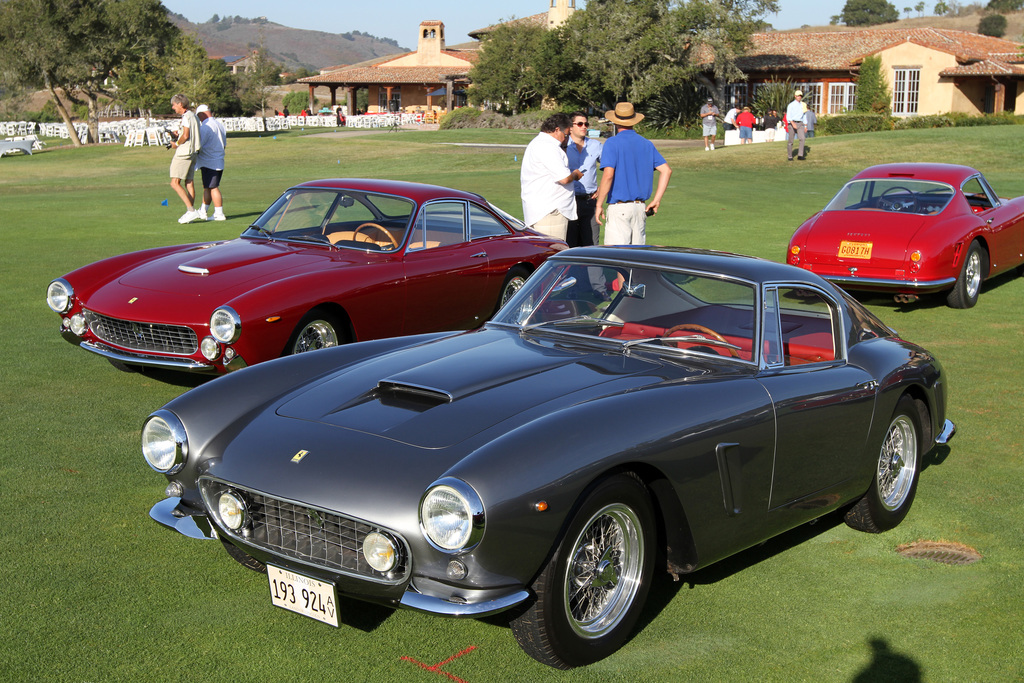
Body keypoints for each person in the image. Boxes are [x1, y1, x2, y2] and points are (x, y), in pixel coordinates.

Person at [594, 102, 672, 245]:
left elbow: (608, 175)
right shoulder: (646, 143)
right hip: (640, 208)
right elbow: (666, 171)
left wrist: (599, 204)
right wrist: (656, 200)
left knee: (617, 261)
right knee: (636, 260)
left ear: (615, 122)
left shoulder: (612, 143)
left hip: (620, 208)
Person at [520, 113, 583, 240]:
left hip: (543, 209)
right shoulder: (548, 146)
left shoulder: (539, 143)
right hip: (551, 211)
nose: (566, 139)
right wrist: (575, 175)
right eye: (565, 135)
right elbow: (564, 178)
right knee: (553, 252)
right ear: (556, 130)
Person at [564, 111, 602, 247]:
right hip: (569, 201)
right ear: (571, 126)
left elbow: (610, 169)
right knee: (570, 246)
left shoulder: (595, 146)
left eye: (586, 124)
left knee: (591, 247)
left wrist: (602, 188)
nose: (584, 127)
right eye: (580, 124)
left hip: (589, 202)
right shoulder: (563, 146)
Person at [168, 94, 202, 224]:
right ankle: (190, 214)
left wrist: (176, 144)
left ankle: (191, 211)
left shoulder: (187, 117)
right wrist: (179, 134)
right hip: (193, 152)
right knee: (189, 182)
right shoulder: (193, 116)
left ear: (180, 104)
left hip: (184, 153)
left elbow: (186, 135)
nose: (173, 107)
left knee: (174, 183)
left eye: (174, 105)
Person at [194, 104, 227, 221]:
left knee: (213, 187)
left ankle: (219, 213)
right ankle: (203, 211)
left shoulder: (205, 126)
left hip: (209, 161)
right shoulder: (219, 125)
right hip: (217, 160)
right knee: (207, 187)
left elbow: (198, 144)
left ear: (202, 114)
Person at [786, 90, 808, 161]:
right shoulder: (791, 105)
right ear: (795, 96)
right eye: (798, 96)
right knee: (791, 140)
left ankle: (800, 155)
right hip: (792, 123)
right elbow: (788, 116)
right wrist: (792, 123)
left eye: (800, 96)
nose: (799, 97)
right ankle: (790, 156)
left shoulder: (803, 105)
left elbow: (804, 115)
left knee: (802, 138)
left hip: (800, 123)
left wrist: (805, 125)